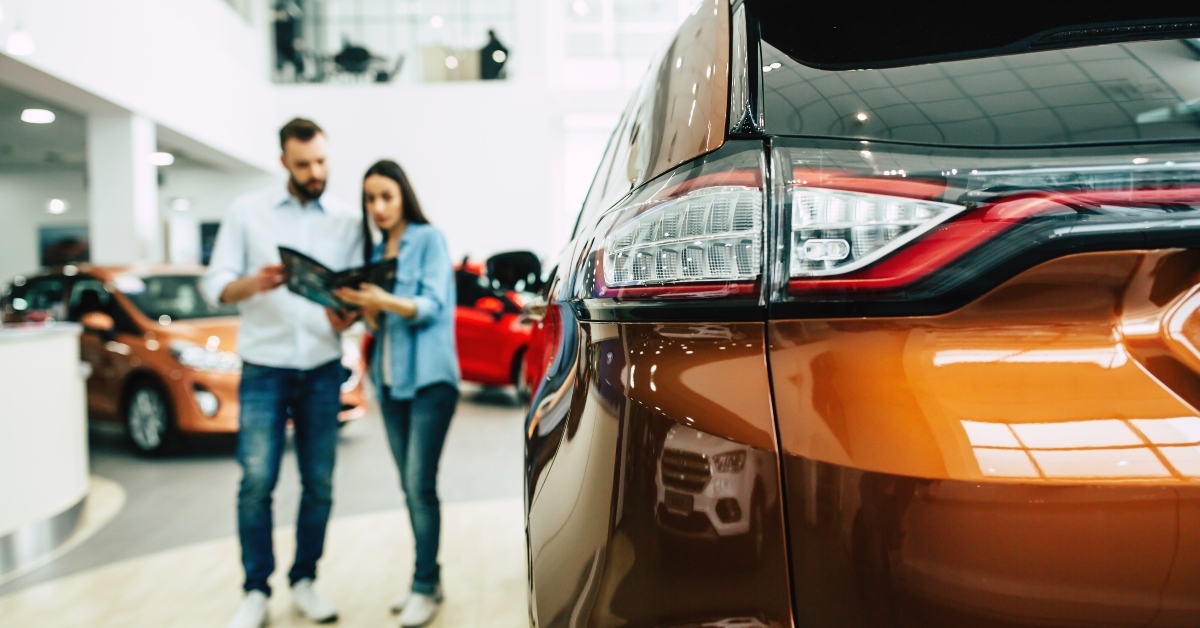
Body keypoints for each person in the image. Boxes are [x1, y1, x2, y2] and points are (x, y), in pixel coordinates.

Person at [202, 118, 362, 628]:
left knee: (319, 484)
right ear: (283, 163)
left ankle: (305, 581)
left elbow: (353, 293)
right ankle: (255, 590)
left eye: (321, 162)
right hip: (264, 367)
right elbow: (215, 286)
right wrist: (249, 284)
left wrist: (348, 314)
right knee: (255, 481)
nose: (315, 172)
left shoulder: (346, 220)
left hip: (320, 366)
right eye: (303, 165)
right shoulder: (246, 212)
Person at [335, 160, 459, 627]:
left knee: (418, 485)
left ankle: (424, 584)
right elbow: (378, 323)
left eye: (386, 196)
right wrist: (357, 308)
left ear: (403, 195)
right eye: (370, 198)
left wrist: (379, 300)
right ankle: (429, 578)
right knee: (410, 489)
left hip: (430, 381)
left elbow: (431, 306)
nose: (378, 207)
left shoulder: (428, 239)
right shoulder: (373, 249)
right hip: (388, 383)